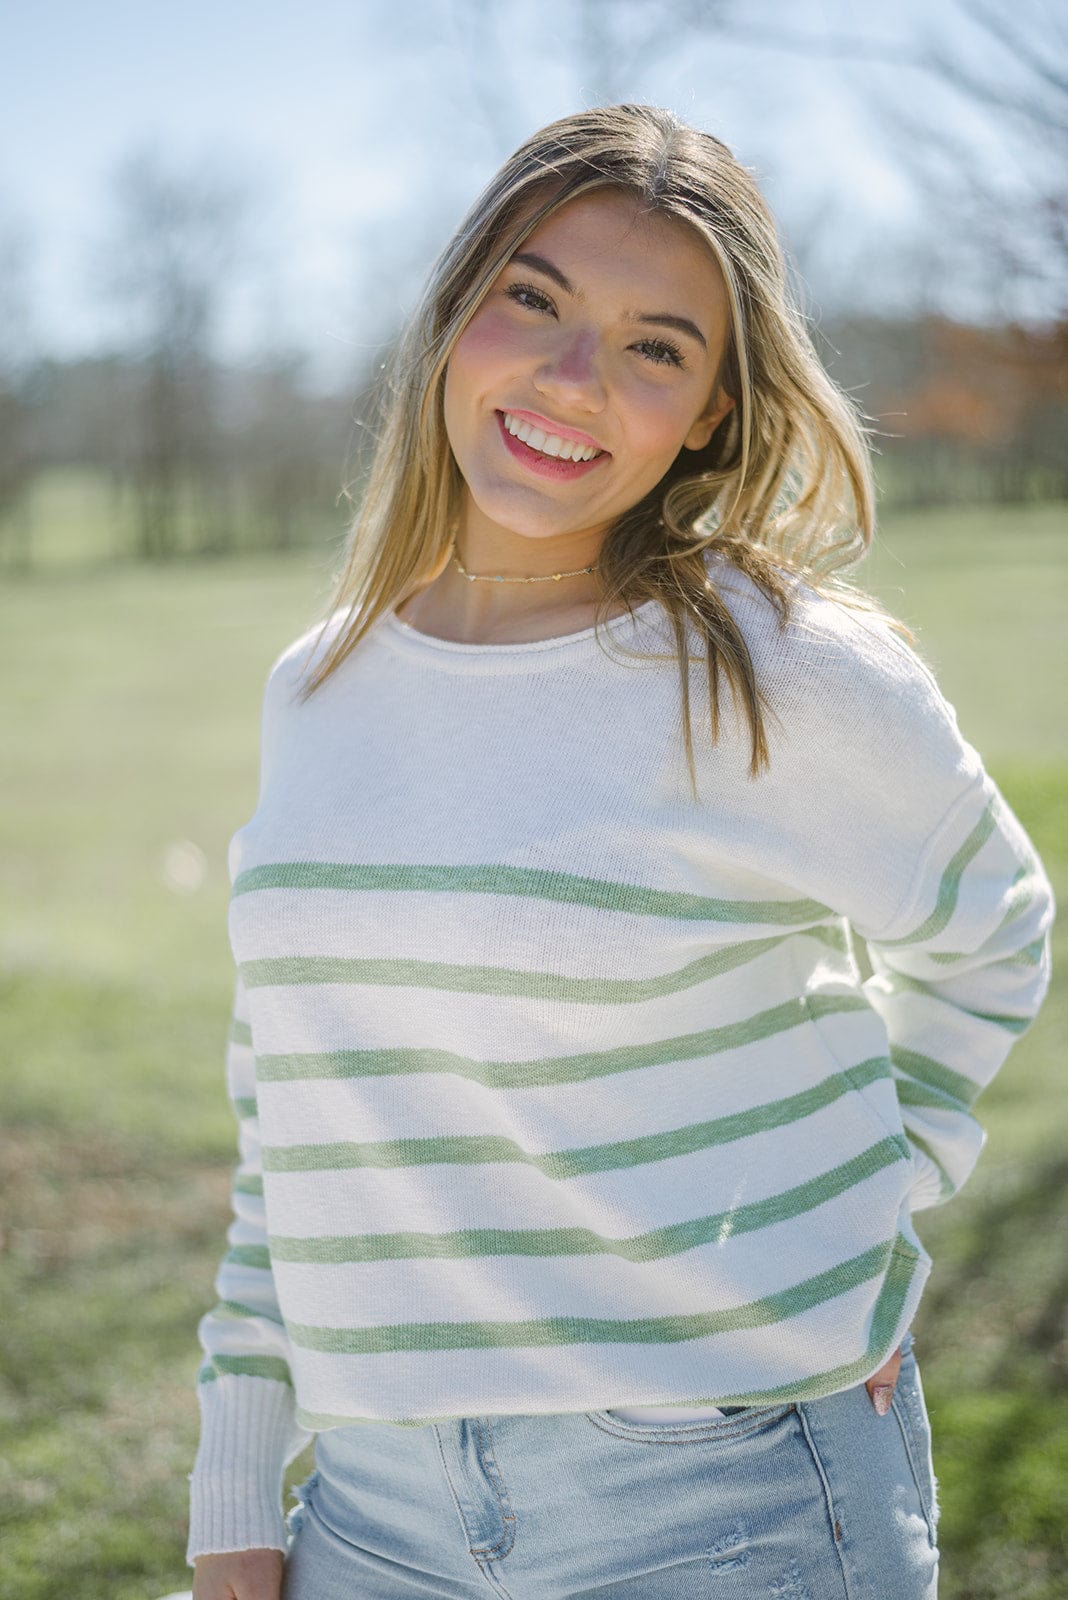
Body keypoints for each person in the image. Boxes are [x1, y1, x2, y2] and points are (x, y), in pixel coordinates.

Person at [187, 104, 1053, 1600]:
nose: (572, 380)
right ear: (458, 309)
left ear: (712, 409)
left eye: (657, 346)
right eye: (535, 299)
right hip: (375, 1511)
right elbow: (296, 1121)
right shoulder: (318, 687)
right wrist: (233, 1491)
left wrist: (864, 1212)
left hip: (726, 1493)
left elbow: (997, 929)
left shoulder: (777, 669)